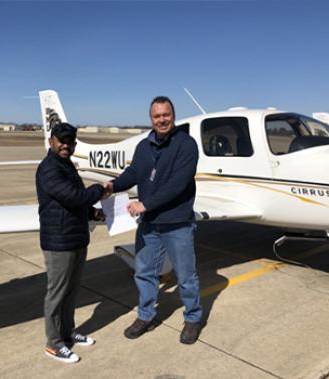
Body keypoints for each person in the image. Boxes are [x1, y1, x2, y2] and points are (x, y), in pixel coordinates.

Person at [103, 96, 204, 344]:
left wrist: (145, 204)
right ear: (151, 119)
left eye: (166, 114)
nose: (162, 120)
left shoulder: (187, 145)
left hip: (177, 223)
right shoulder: (143, 146)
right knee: (145, 272)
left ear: (173, 115)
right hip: (149, 224)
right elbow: (134, 173)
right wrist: (112, 185)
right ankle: (145, 316)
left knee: (186, 276)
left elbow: (178, 184)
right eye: (157, 116)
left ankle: (192, 319)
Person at [35, 122, 106, 363]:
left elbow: (73, 204)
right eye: (62, 140)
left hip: (75, 237)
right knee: (57, 293)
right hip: (59, 241)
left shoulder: (66, 166)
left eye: (70, 141)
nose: (66, 145)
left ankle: (67, 333)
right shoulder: (49, 169)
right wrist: (99, 190)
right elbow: (74, 197)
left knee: (72, 291)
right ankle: (54, 343)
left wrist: (92, 213)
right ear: (51, 141)